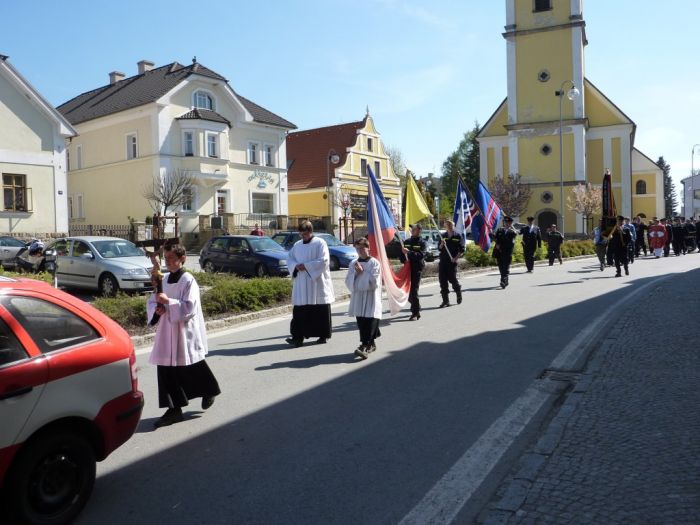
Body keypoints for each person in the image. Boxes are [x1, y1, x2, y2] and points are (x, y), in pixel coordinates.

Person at [147, 244, 220, 429]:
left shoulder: (188, 280)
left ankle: (209, 389)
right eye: (167, 258)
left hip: (183, 331)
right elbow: (153, 300)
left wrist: (168, 302)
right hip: (166, 330)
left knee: (192, 366)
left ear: (183, 259)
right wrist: (157, 309)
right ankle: (174, 410)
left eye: (173, 258)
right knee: (165, 368)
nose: (169, 262)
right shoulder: (164, 279)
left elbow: (190, 307)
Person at [285, 221, 335, 347]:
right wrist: (296, 266)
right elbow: (289, 259)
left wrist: (306, 266)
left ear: (311, 232)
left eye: (305, 234)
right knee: (299, 311)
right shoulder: (297, 245)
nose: (303, 237)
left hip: (317, 282)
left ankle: (323, 335)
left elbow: (324, 260)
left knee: (320, 310)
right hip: (301, 283)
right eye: (301, 234)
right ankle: (297, 337)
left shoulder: (320, 243)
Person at [345, 238, 382, 359]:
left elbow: (374, 282)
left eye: (362, 248)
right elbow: (348, 280)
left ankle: (364, 346)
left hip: (371, 296)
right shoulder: (353, 263)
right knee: (361, 321)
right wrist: (356, 273)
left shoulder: (374, 263)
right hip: (359, 296)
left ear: (368, 248)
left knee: (370, 321)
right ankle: (370, 343)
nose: (360, 251)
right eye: (357, 248)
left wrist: (362, 273)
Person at [399, 224, 426, 320]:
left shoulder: (422, 242)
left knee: (413, 291)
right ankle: (416, 306)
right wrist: (403, 257)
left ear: (420, 231)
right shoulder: (406, 242)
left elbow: (421, 255)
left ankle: (415, 313)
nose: (415, 231)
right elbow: (401, 256)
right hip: (407, 268)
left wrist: (409, 252)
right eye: (414, 229)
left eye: (417, 230)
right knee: (407, 293)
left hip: (417, 268)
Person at [438, 220, 464, 307]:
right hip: (443, 261)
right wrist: (442, 244)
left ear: (453, 226)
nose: (449, 226)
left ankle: (458, 292)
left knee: (452, 279)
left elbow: (461, 250)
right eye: (447, 225)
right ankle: (445, 301)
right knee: (442, 281)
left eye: (450, 225)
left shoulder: (457, 236)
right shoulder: (443, 236)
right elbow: (439, 248)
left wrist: (455, 258)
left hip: (452, 262)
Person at [491, 216, 517, 288]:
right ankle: (505, 280)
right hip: (498, 252)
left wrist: (501, 246)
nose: (506, 224)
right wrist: (491, 234)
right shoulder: (499, 230)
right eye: (505, 222)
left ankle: (503, 281)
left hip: (507, 253)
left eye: (508, 222)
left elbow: (511, 244)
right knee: (501, 267)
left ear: (510, 223)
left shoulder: (512, 232)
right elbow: (495, 238)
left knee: (505, 268)